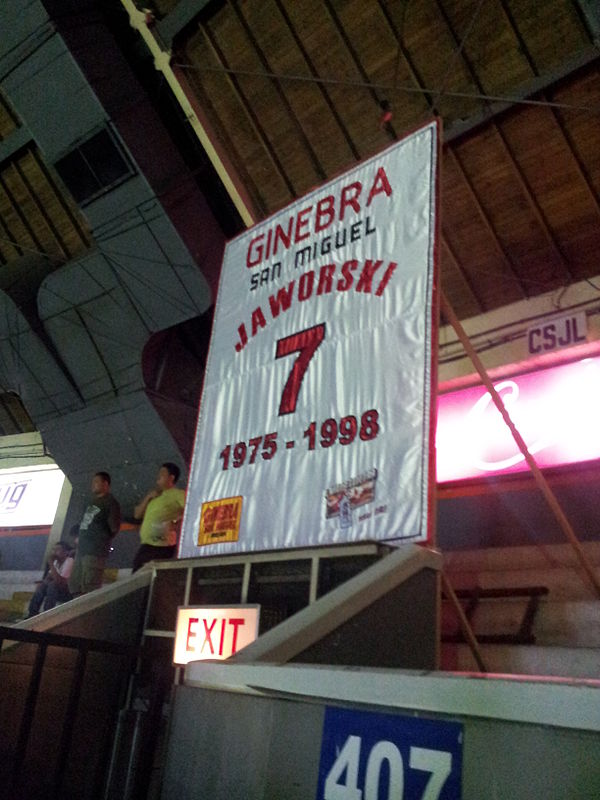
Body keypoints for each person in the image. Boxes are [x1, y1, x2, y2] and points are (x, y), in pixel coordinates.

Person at [68, 471, 121, 596]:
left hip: (95, 551)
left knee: (89, 586)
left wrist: (100, 540)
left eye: (96, 482)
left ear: (105, 484)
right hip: (82, 550)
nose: (93, 485)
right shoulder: (91, 502)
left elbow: (114, 527)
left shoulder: (110, 503)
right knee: (76, 585)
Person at [131, 462, 185, 573]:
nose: (158, 476)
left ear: (171, 477)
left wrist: (178, 522)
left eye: (162, 473)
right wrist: (148, 497)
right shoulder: (155, 496)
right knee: (138, 571)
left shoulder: (177, 494)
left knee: (144, 575)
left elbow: (191, 508)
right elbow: (137, 514)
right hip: (147, 544)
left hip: (161, 546)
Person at [27, 540, 74, 616]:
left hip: (67, 592)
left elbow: (60, 581)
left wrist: (51, 563)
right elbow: (49, 577)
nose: (54, 552)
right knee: (42, 585)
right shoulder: (56, 562)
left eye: (58, 550)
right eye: (53, 550)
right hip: (56, 589)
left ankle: (47, 614)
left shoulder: (69, 561)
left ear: (66, 552)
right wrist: (43, 582)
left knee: (53, 585)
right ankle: (32, 613)